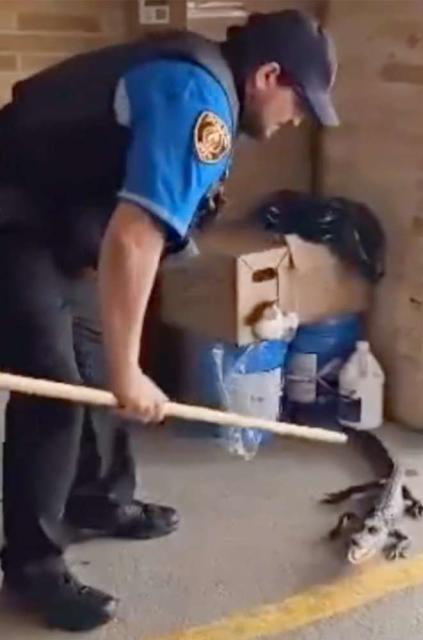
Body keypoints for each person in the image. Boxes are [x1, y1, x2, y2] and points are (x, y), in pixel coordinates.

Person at [0, 9, 339, 631]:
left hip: (50, 220)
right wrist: (134, 371)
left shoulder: (205, 85)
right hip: (12, 220)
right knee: (53, 389)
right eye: (299, 103)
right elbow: (135, 239)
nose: (295, 121)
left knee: (96, 356)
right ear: (268, 75)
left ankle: (99, 500)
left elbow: (124, 217)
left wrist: (119, 363)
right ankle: (31, 568)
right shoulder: (198, 101)